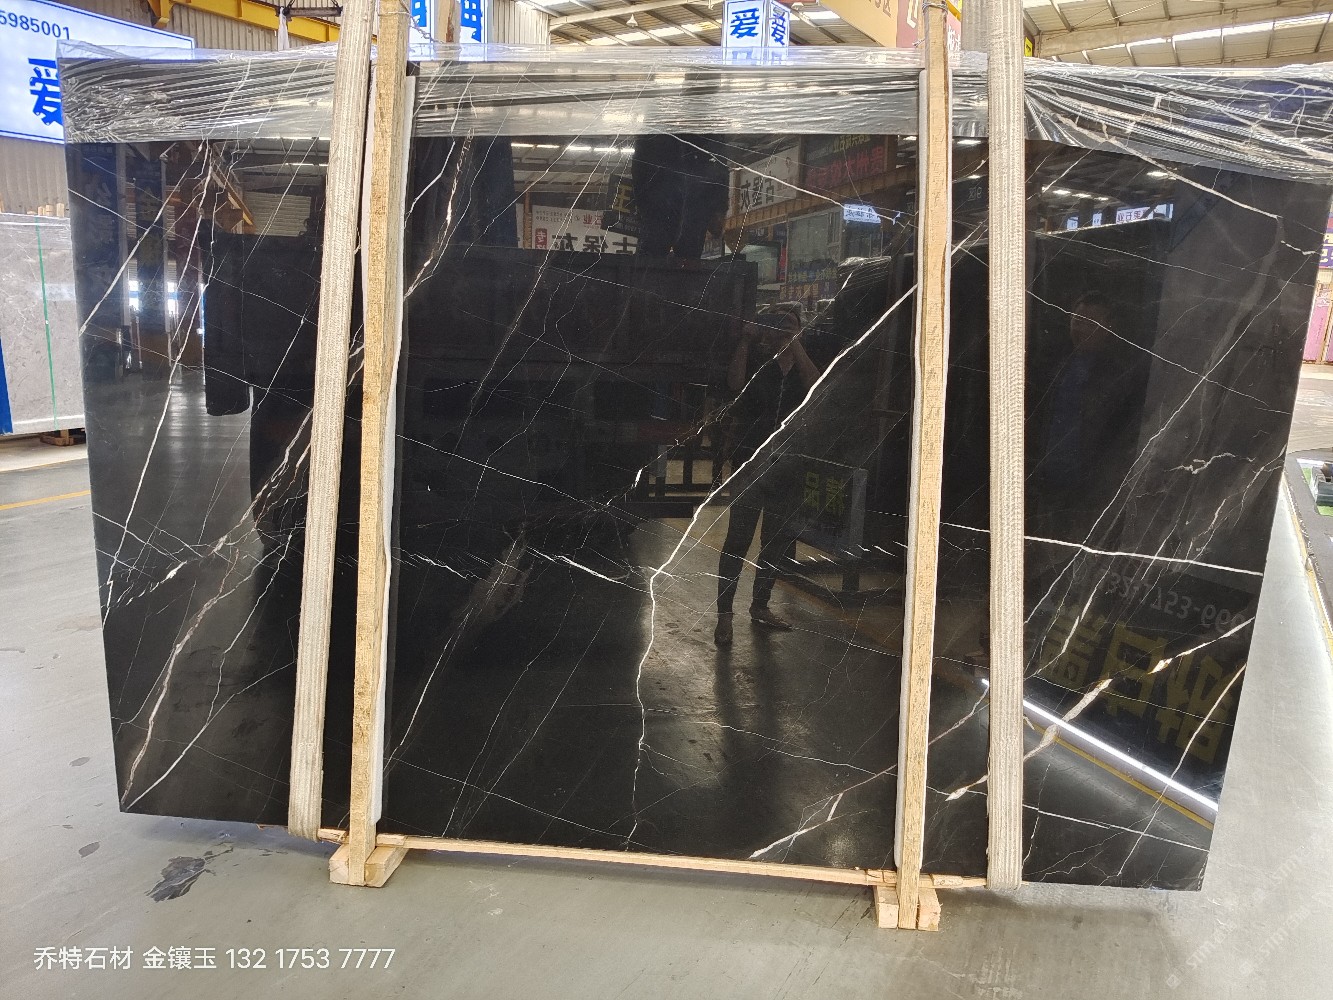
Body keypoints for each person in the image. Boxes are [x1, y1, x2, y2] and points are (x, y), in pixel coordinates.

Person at [714, 311, 821, 646]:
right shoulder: (758, 363)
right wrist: (746, 340)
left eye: (790, 326)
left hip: (787, 467)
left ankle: (760, 607)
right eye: (779, 327)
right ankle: (725, 615)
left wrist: (796, 344)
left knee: (774, 542)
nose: (783, 333)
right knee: (738, 540)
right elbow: (734, 383)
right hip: (750, 464)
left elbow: (816, 387)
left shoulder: (804, 365)